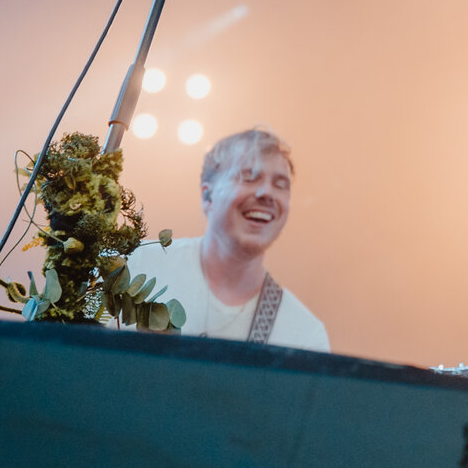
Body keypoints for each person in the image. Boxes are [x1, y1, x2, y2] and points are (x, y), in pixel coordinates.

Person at [122, 127, 329, 352]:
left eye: (280, 185)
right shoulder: (135, 266)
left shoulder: (305, 336)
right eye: (249, 178)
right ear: (207, 196)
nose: (267, 193)